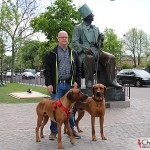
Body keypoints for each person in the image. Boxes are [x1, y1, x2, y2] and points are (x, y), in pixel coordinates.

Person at [72, 3, 122, 88]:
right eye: (91, 14)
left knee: (111, 57)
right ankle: (89, 82)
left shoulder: (96, 29)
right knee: (89, 58)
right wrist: (84, 49)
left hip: (96, 51)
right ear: (87, 16)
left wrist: (101, 39)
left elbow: (100, 46)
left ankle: (111, 81)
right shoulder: (78, 28)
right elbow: (74, 42)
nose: (93, 15)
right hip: (85, 53)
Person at [43, 31, 81, 140]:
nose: (64, 39)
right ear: (58, 39)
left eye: (66, 37)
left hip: (70, 86)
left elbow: (79, 68)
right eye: (62, 37)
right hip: (57, 85)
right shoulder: (51, 54)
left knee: (70, 109)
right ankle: (54, 131)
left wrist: (76, 81)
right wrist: (49, 84)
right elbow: (47, 70)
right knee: (55, 108)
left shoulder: (73, 53)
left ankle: (71, 130)